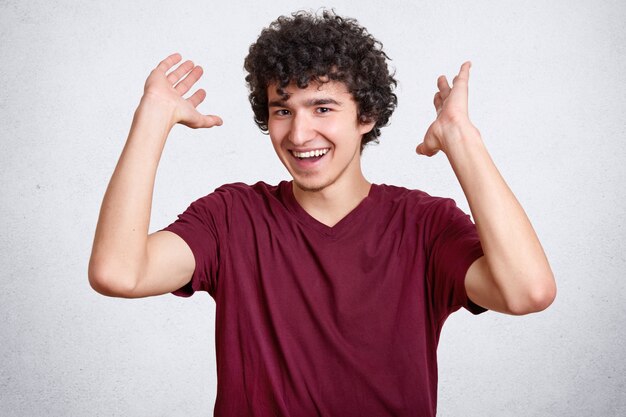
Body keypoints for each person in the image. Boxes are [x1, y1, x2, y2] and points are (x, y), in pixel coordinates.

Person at [88, 10, 556, 417]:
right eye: (282, 110)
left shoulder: (424, 225)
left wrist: (461, 139)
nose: (299, 133)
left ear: (366, 115)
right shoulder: (232, 216)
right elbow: (118, 273)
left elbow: (527, 292)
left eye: (323, 107)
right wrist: (151, 117)